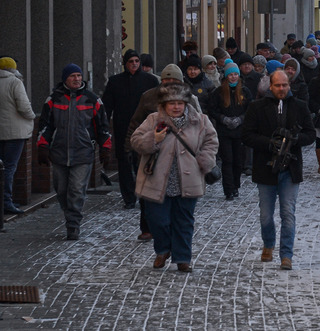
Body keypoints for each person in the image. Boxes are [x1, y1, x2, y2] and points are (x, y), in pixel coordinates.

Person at [130, 83, 219, 273]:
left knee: (184, 220)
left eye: (180, 103)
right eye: (172, 103)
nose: (176, 107)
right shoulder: (153, 119)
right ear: (164, 104)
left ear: (186, 103)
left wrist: (205, 159)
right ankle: (163, 249)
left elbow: (211, 140)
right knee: (157, 219)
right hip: (157, 178)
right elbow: (135, 140)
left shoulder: (199, 120)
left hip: (188, 178)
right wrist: (154, 139)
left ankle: (183, 258)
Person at [242, 71, 316, 270]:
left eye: (284, 85)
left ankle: (286, 254)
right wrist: (270, 143)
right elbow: (247, 135)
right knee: (266, 215)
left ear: (289, 85)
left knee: (288, 213)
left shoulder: (299, 106)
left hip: (290, 168)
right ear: (270, 87)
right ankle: (268, 243)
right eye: (277, 85)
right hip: (265, 167)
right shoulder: (256, 107)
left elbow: (311, 134)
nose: (281, 89)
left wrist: (294, 140)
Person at [125, 65, 203, 241]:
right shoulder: (148, 97)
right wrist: (130, 148)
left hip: (182, 159)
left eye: (173, 80)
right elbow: (135, 124)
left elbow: (202, 129)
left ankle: (177, 247)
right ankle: (148, 228)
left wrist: (203, 158)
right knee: (149, 198)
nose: (168, 83)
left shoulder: (190, 99)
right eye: (166, 80)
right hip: (153, 155)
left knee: (180, 208)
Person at [37, 64, 112, 240]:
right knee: (62, 190)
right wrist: (42, 145)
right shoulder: (53, 99)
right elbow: (45, 125)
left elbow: (103, 126)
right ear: (65, 79)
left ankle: (73, 224)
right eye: (73, 76)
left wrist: (105, 148)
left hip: (83, 152)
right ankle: (69, 215)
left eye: (79, 75)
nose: (77, 79)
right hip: (59, 152)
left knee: (77, 190)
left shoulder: (92, 99)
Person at [102, 49, 159, 209]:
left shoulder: (150, 81)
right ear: (125, 64)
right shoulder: (115, 82)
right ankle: (128, 197)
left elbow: (157, 106)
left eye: (136, 61)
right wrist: (105, 127)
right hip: (122, 128)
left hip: (145, 128)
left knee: (142, 163)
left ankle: (143, 195)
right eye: (131, 61)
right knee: (124, 164)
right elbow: (107, 107)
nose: (134, 64)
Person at [207, 62, 253, 201]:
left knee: (238, 161)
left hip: (240, 131)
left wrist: (241, 119)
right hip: (224, 131)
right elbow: (212, 109)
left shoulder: (245, 91)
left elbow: (250, 109)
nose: (233, 77)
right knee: (228, 160)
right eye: (231, 75)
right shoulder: (218, 92)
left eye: (235, 74)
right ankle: (228, 189)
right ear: (226, 76)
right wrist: (223, 119)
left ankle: (236, 186)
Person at [0, 56, 35, 216]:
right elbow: (24, 106)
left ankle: (4, 201)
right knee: (9, 168)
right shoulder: (15, 82)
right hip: (14, 133)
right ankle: (6, 202)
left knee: (2, 168)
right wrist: (32, 116)